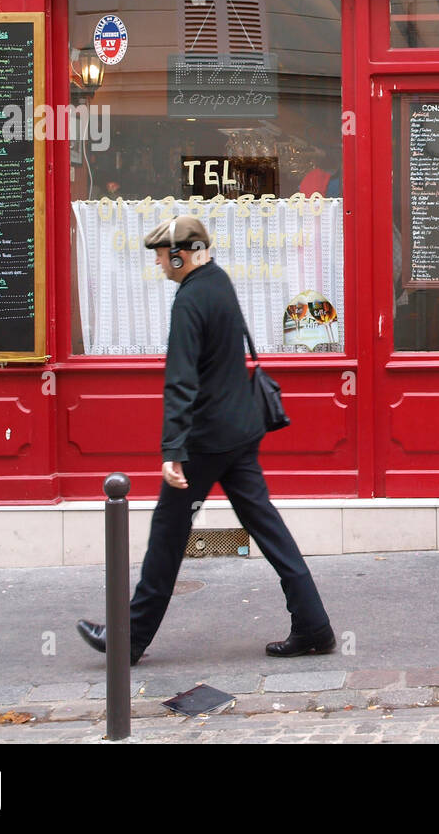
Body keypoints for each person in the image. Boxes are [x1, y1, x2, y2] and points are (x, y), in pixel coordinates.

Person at [76, 214, 335, 663]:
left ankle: (129, 639)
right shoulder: (220, 282)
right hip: (241, 431)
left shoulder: (189, 301)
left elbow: (181, 382)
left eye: (161, 254)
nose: (158, 262)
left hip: (205, 441)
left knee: (167, 535)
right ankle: (314, 625)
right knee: (268, 529)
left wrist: (173, 450)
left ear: (180, 253)